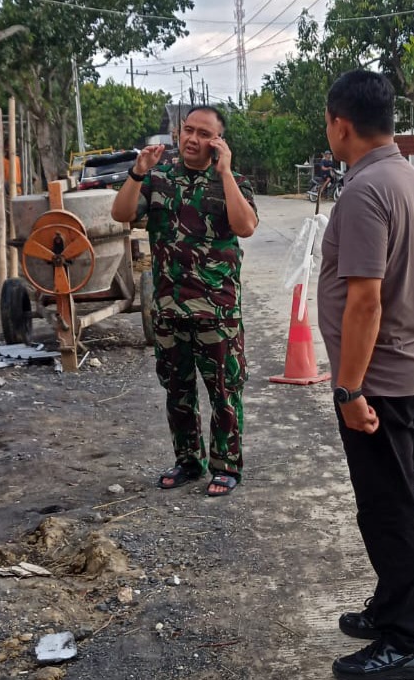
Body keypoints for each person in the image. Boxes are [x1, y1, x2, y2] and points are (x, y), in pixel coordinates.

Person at [317, 70, 414, 680]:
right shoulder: (411, 180)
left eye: (328, 124)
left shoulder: (366, 192)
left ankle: (406, 640)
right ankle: (390, 606)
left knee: (389, 511)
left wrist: (349, 388)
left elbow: (364, 300)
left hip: (379, 384)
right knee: (394, 502)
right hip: (406, 371)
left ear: (342, 124)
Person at [111, 105, 258, 498]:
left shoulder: (233, 180)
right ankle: (188, 461)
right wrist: (137, 170)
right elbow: (121, 213)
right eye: (187, 130)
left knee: (224, 389)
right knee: (177, 389)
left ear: (218, 141)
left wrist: (225, 172)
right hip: (169, 308)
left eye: (204, 133)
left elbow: (245, 226)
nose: (192, 139)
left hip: (217, 310)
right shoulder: (158, 179)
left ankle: (226, 466)